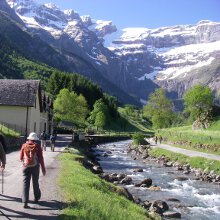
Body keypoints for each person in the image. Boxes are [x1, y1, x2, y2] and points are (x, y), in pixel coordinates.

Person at [20, 132, 46, 208]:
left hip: (25, 167)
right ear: (35, 139)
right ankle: (36, 198)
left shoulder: (24, 145)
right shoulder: (37, 146)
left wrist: (25, 160)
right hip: (35, 167)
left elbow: (20, 157)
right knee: (35, 182)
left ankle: (25, 202)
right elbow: (41, 158)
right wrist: (43, 169)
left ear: (29, 138)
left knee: (25, 183)